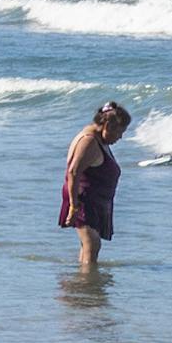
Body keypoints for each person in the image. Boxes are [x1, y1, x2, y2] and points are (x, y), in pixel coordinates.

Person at [60, 102, 131, 266]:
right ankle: (88, 286)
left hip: (94, 200)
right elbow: (73, 172)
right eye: (120, 132)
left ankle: (79, 286)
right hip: (83, 200)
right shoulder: (89, 142)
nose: (120, 137)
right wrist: (73, 206)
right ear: (107, 125)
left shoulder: (98, 138)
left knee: (89, 245)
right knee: (92, 244)